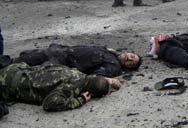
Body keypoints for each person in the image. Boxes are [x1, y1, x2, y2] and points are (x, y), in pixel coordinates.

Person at [0, 62, 122, 112]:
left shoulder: (76, 73)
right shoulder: (73, 87)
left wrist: (107, 81)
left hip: (14, 69)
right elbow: (48, 104)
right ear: (90, 93)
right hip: (7, 85)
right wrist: (81, 100)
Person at [14, 44, 142, 78]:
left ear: (128, 67)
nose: (129, 58)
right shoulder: (111, 52)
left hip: (59, 63)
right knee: (17, 60)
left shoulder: (113, 66)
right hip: (56, 51)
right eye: (131, 55)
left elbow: (97, 76)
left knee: (22, 74)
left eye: (131, 62)